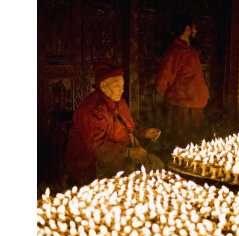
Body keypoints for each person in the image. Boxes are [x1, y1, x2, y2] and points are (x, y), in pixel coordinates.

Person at [65, 63, 163, 185]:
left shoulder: (119, 101)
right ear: (104, 86)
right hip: (94, 167)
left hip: (122, 158)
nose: (122, 90)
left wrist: (144, 133)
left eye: (122, 85)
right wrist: (129, 153)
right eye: (117, 86)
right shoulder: (92, 110)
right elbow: (97, 148)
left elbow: (129, 125)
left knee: (157, 167)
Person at [155, 14, 209, 143]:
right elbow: (164, 78)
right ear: (187, 28)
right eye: (194, 27)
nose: (196, 31)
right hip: (183, 107)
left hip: (196, 105)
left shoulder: (189, 50)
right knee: (183, 144)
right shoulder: (175, 51)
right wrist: (163, 97)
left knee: (196, 144)